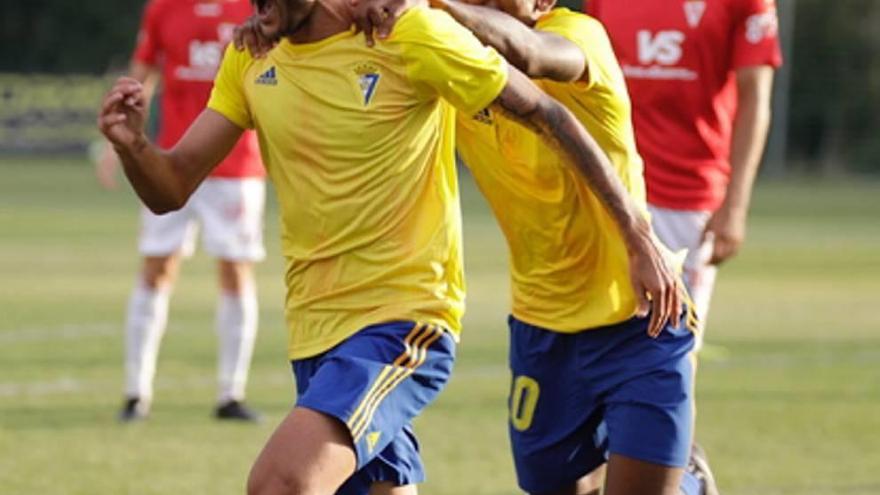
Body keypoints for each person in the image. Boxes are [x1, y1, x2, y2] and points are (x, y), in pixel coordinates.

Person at [98, 0, 678, 492]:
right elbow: (171, 187)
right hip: (314, 328)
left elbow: (546, 106)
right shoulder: (252, 56)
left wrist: (637, 233)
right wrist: (133, 148)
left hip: (404, 322)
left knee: (281, 482)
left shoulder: (410, 30)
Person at [96, 0, 266, 422]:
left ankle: (231, 392)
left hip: (237, 163)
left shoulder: (254, 5)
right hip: (170, 159)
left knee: (236, 270)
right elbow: (143, 73)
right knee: (156, 267)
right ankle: (136, 393)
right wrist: (115, 143)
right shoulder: (164, 7)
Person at [585, 0, 782, 346]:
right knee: (592, 347)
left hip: (687, 199)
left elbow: (756, 96)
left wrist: (735, 205)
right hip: (605, 189)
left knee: (669, 349)